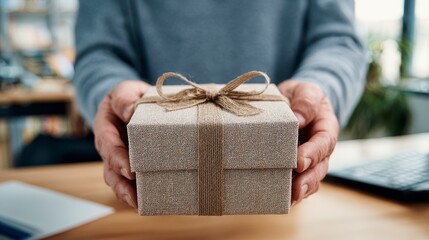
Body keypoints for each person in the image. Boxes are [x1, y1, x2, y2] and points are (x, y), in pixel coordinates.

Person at [74, 0, 367, 209]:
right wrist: (111, 92)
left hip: (282, 212)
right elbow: (99, 52)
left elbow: (338, 40)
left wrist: (319, 88)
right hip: (142, 210)